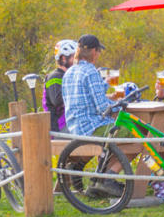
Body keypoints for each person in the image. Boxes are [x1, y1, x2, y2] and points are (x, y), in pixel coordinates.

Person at [62, 34, 127, 197]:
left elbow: (83, 97)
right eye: (98, 51)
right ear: (93, 51)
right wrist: (120, 104)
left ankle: (94, 177)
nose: (99, 55)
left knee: (116, 131)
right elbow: (102, 108)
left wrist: (107, 93)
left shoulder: (70, 71)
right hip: (91, 127)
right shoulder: (90, 70)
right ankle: (107, 178)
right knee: (135, 134)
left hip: (75, 126)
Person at [42, 39, 78, 132]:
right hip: (59, 127)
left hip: (70, 122)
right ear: (63, 58)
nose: (76, 60)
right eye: (74, 57)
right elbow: (57, 100)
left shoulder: (69, 75)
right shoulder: (55, 77)